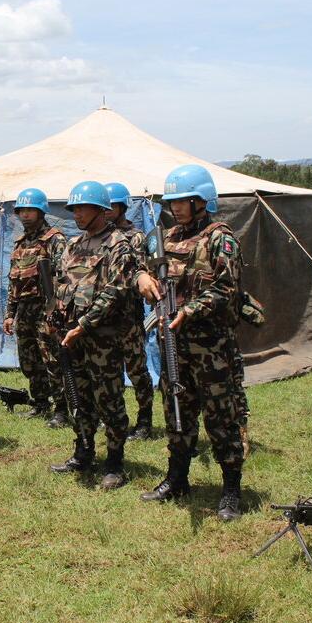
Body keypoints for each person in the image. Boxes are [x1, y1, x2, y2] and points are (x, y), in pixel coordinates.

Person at [136, 164, 246, 521]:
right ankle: (177, 478)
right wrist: (142, 277)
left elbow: (228, 288)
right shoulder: (166, 238)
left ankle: (231, 489)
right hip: (174, 346)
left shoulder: (219, 238)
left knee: (221, 418)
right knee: (176, 413)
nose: (177, 207)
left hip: (211, 347)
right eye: (173, 201)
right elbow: (143, 262)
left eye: (184, 200)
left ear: (203, 201)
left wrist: (191, 310)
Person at [47, 181, 136, 489]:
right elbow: (62, 284)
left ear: (100, 210)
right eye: (74, 209)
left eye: (82, 208)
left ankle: (114, 462)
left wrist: (83, 326)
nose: (77, 215)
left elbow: (115, 292)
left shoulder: (118, 245)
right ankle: (83, 451)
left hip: (101, 337)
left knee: (109, 398)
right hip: (72, 337)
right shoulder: (73, 245)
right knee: (79, 396)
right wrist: (56, 317)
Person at [1, 187, 67, 426]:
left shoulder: (54, 239)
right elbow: (13, 280)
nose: (25, 215)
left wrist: (56, 310)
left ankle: (61, 410)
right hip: (25, 310)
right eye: (22, 211)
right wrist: (10, 314)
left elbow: (63, 277)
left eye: (31, 210)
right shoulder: (19, 243)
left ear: (41, 212)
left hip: (46, 308)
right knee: (29, 360)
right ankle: (40, 403)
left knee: (52, 360)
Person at [103, 182, 156, 441]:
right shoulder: (98, 236)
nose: (108, 211)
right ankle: (115, 419)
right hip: (103, 317)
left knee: (137, 371)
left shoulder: (134, 237)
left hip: (128, 316)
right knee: (109, 372)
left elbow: (136, 271)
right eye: (105, 206)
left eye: (113, 206)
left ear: (122, 207)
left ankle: (145, 420)